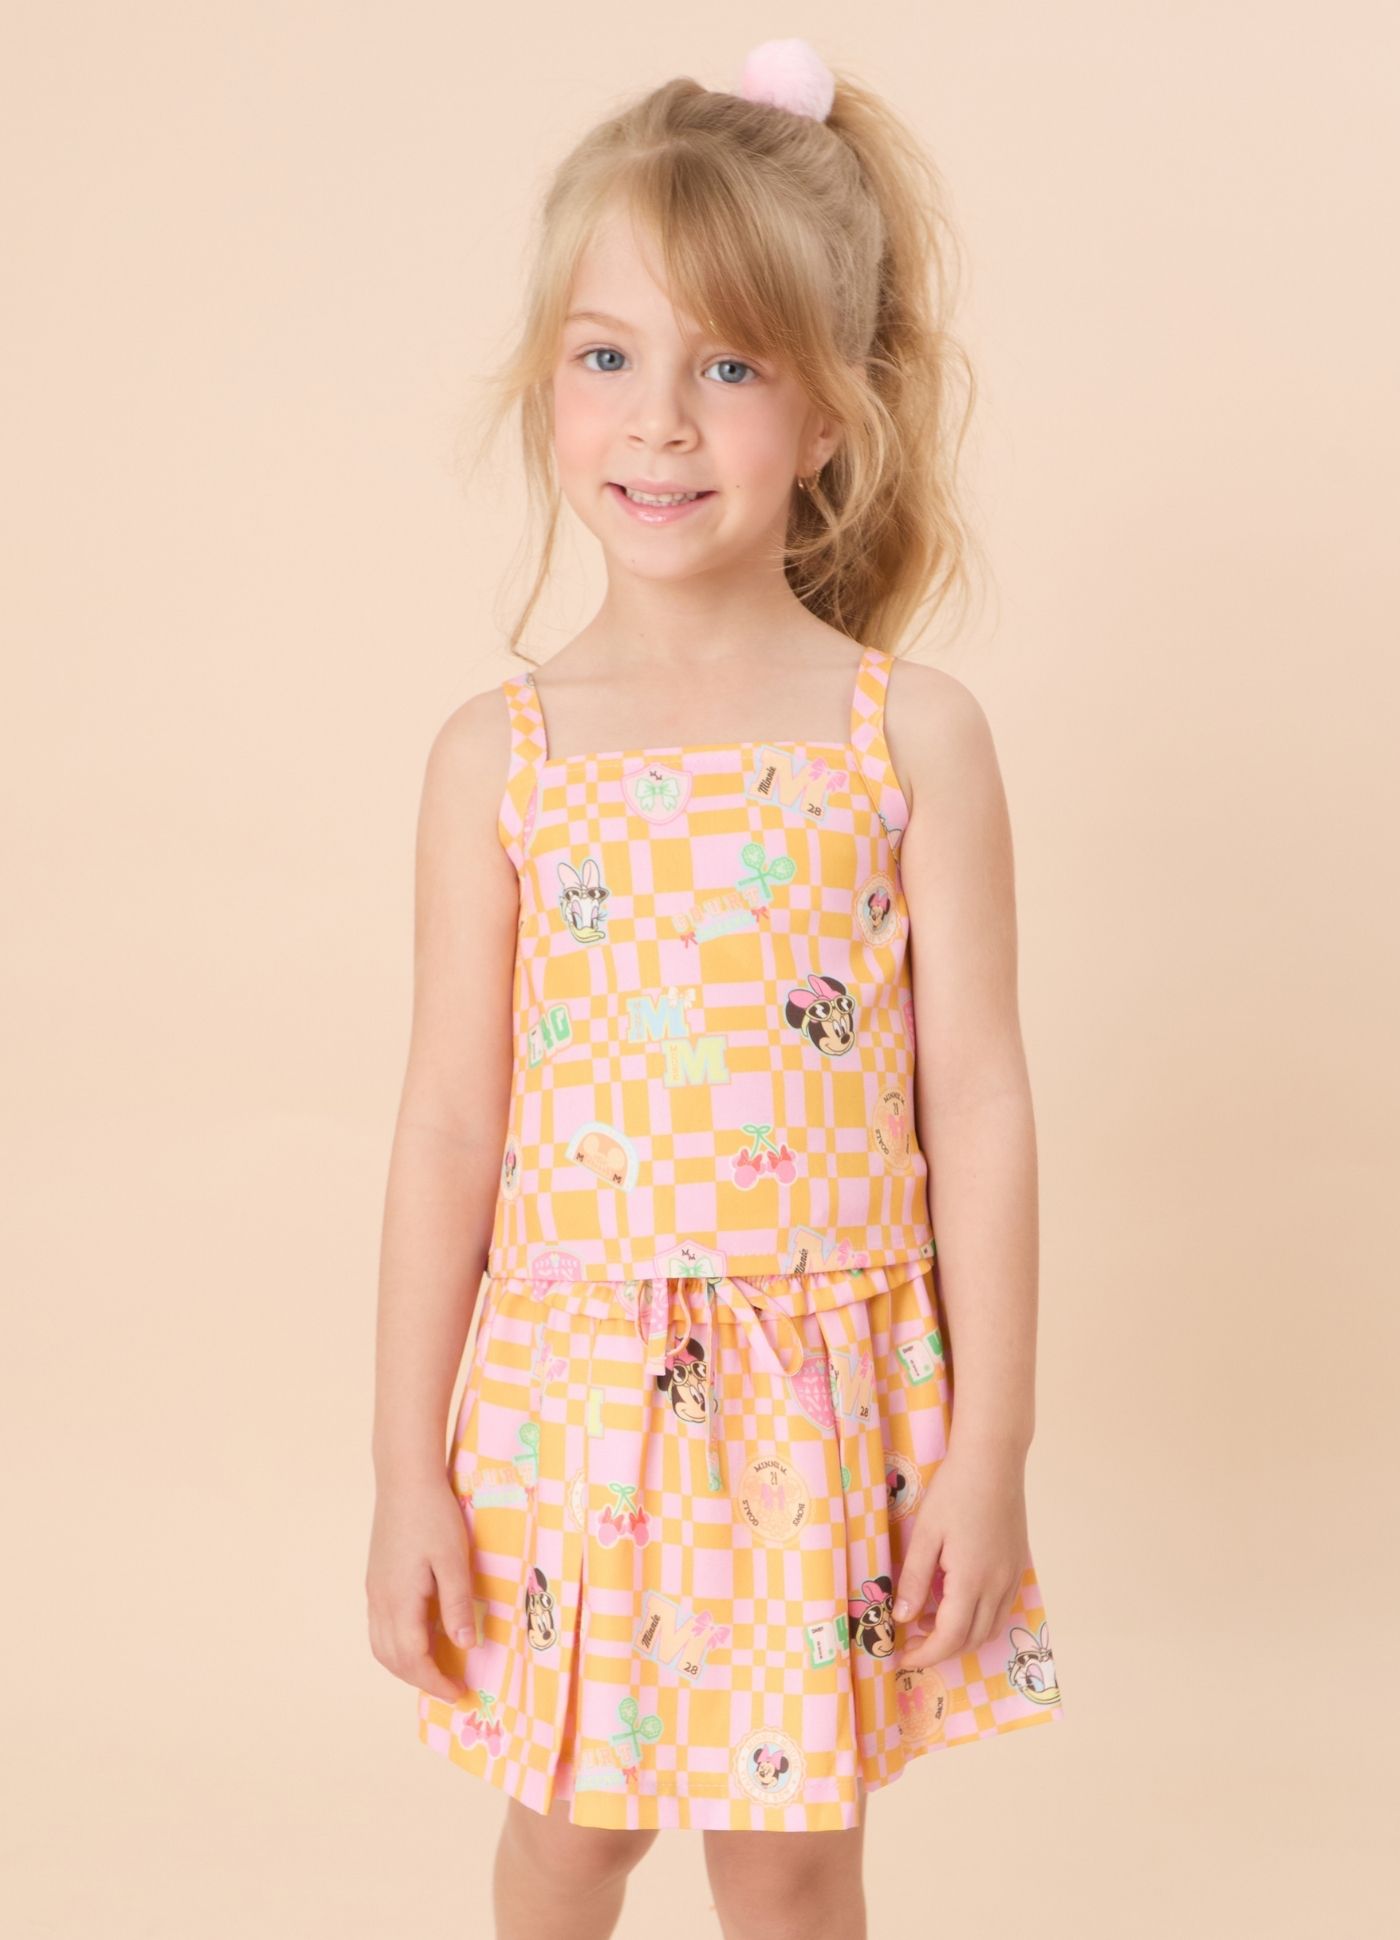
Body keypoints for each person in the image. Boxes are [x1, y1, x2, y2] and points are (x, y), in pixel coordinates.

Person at [367, 37, 1063, 1940]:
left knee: (795, 1856)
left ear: (832, 414)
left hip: (820, 1411)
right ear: (547, 385)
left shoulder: (909, 735)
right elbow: (448, 1125)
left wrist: (992, 1448)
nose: (659, 423)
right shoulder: (498, 755)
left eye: (731, 368)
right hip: (574, 1404)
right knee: (572, 1834)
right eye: (607, 358)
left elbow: (980, 1103)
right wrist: (404, 1468)